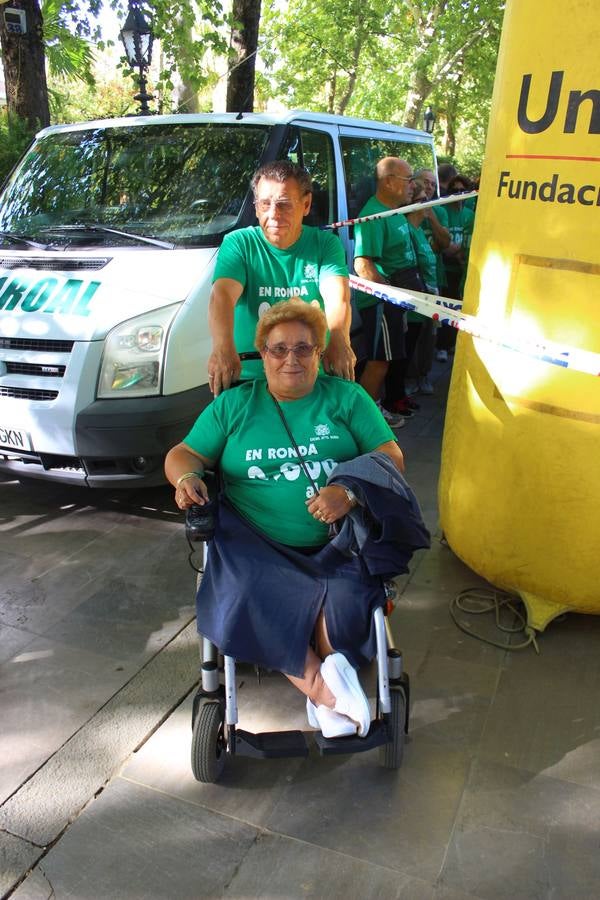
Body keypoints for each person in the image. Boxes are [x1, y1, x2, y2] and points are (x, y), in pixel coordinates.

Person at [165, 300, 428, 739]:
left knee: (345, 609)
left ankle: (331, 701)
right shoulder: (235, 405)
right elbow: (183, 454)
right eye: (279, 349)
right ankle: (325, 692)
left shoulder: (346, 398)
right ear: (262, 355)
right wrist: (188, 476)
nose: (292, 358)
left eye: (304, 349)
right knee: (247, 593)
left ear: (320, 354)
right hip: (255, 542)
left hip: (336, 541)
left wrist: (347, 492)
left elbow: (390, 455)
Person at [207, 160, 355, 396]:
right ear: (255, 208)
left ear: (306, 204)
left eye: (284, 205)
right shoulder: (239, 243)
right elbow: (222, 296)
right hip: (250, 378)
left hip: (310, 376)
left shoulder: (325, 244)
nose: (273, 214)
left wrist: (339, 339)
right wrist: (223, 347)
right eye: (265, 204)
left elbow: (338, 297)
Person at [353, 157, 426, 425]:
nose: (413, 186)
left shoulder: (396, 211)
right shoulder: (373, 215)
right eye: (408, 181)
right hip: (381, 301)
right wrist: (389, 296)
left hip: (397, 299)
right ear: (389, 181)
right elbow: (363, 265)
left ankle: (372, 410)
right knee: (378, 361)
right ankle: (361, 420)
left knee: (389, 358)